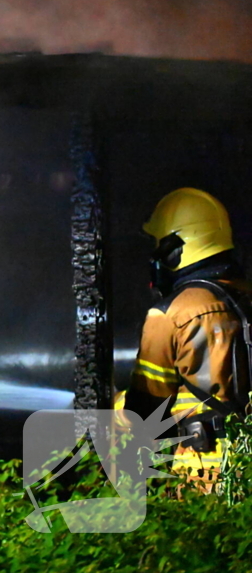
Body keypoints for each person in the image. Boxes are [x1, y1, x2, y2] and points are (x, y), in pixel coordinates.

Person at [124, 188, 252, 479]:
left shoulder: (171, 314)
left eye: (160, 247)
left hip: (206, 469)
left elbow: (147, 411)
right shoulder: (246, 298)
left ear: (175, 250)